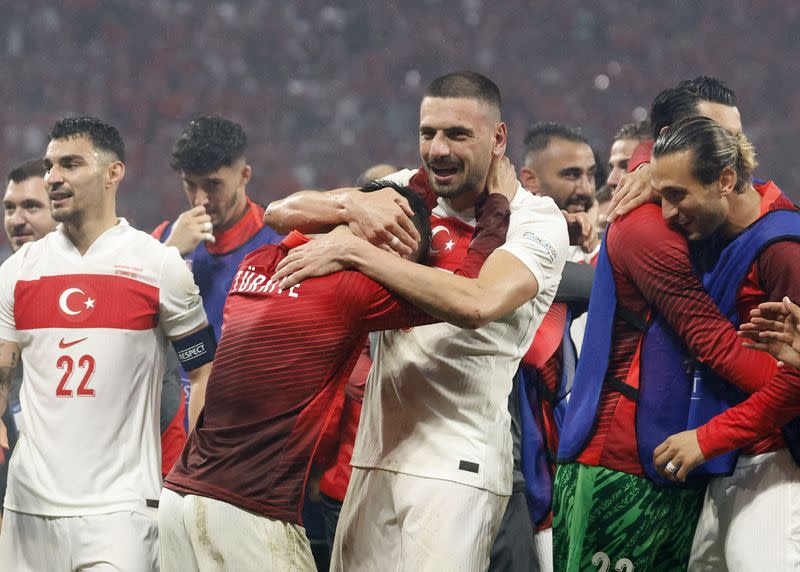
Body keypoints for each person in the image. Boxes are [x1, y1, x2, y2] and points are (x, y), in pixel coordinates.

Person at [267, 70, 569, 571]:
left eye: (457, 134)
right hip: (374, 458)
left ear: (498, 138)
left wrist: (356, 252)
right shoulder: (404, 191)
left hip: (456, 463)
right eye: (428, 133)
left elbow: (478, 302)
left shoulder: (535, 220)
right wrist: (352, 204)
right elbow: (280, 212)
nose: (438, 149)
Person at [159, 163, 516, 570]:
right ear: (396, 247)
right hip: (249, 513)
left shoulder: (258, 260)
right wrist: (497, 206)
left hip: (178, 498)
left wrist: (352, 203)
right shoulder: (355, 289)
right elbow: (467, 293)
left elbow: (281, 213)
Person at [552, 77, 788, 571]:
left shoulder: (744, 228)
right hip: (624, 460)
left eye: (736, 138)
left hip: (685, 459)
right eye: (710, 133)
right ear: (667, 138)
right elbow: (715, 345)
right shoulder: (649, 224)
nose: (734, 155)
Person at [0, 116, 214, 571]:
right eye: (50, 166)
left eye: (70, 164)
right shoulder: (17, 273)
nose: (54, 177)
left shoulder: (160, 266)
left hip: (121, 510)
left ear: (114, 173)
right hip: (27, 509)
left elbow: (203, 371)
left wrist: (202, 472)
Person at [644, 117, 800, 571]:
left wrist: (708, 439)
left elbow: (796, 382)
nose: (667, 212)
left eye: (678, 195)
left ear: (726, 180)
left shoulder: (783, 250)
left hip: (777, 461)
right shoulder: (720, 234)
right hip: (733, 460)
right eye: (661, 195)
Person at [152, 115, 282, 470]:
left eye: (212, 185)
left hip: (242, 445)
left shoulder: (278, 247)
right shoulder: (164, 240)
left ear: (244, 175)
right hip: (166, 443)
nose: (200, 199)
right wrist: (169, 255)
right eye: (189, 184)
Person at [0, 159, 58, 531]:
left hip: (96, 500)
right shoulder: (4, 287)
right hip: (15, 504)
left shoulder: (103, 293)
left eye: (31, 206)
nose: (16, 220)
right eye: (9, 208)